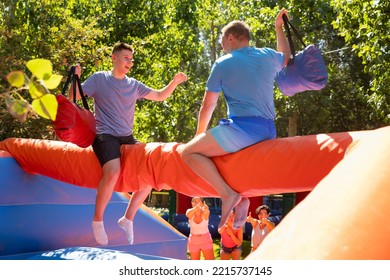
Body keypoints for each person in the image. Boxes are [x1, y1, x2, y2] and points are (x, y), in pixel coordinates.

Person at [180, 8, 291, 231]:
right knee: (233, 158)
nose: (222, 44)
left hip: (243, 129)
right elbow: (287, 57)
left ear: (230, 38)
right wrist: (278, 27)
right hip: (268, 129)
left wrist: (198, 136)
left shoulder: (223, 62)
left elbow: (208, 105)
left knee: (189, 153)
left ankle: (228, 194)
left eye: (222, 39)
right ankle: (242, 201)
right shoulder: (268, 55)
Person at [70, 42, 187, 246]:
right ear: (114, 58)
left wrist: (174, 83)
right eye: (126, 58)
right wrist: (76, 78)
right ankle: (97, 220)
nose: (129, 62)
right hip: (105, 135)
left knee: (151, 172)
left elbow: (159, 95)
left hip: (127, 137)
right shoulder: (99, 79)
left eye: (131, 59)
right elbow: (73, 96)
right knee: (113, 172)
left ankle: (128, 219)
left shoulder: (133, 85)